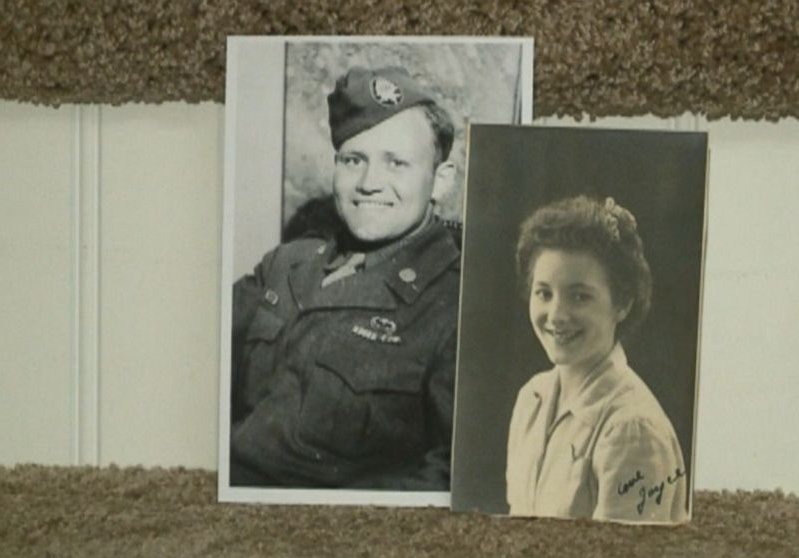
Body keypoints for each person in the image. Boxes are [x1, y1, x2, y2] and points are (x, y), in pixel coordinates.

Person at [229, 66, 460, 491]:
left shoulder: (459, 303)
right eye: (354, 160)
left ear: (440, 182)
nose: (370, 183)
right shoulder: (285, 265)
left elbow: (450, 479)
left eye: (397, 163)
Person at [505, 195, 688, 522]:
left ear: (622, 304)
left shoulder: (633, 429)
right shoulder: (532, 398)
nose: (556, 315)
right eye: (544, 293)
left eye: (579, 296)